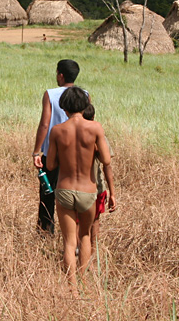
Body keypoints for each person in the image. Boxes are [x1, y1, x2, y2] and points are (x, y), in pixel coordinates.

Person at [45, 86, 115, 287]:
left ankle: (72, 289)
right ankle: (84, 281)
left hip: (64, 190)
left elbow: (50, 165)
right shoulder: (95, 128)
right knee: (85, 235)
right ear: (84, 106)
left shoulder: (57, 131)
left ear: (64, 107)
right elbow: (106, 159)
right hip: (88, 191)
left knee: (68, 241)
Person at [32, 59, 84, 234]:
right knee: (74, 193)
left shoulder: (50, 94)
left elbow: (44, 124)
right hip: (77, 154)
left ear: (60, 75)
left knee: (47, 194)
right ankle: (73, 232)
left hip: (52, 153)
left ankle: (46, 231)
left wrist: (36, 151)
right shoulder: (84, 94)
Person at [82, 103, 112, 245]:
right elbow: (107, 165)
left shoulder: (71, 133)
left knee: (77, 223)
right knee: (95, 222)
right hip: (97, 187)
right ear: (94, 117)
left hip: (77, 188)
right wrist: (112, 192)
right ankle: (93, 258)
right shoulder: (99, 136)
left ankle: (78, 253)